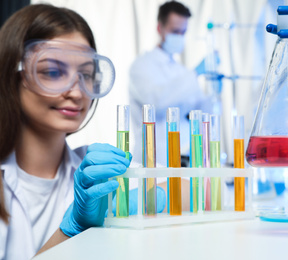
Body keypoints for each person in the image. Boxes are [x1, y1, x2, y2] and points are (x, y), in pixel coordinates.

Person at [0, 4, 165, 259]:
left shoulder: (90, 174)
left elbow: (200, 191)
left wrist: (161, 196)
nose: (76, 93)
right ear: (13, 74)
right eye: (53, 72)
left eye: (86, 75)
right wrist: (72, 229)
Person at [129, 1, 216, 166]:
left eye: (183, 32)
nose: (179, 37)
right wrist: (196, 72)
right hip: (152, 157)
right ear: (159, 28)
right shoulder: (141, 66)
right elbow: (156, 101)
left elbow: (199, 112)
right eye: (175, 31)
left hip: (182, 157)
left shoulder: (182, 72)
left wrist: (214, 88)